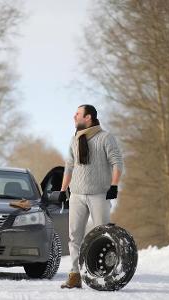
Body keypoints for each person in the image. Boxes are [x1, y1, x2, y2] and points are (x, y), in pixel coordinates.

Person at [59, 104, 123, 289]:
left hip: (99, 195)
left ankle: (104, 273)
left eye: (78, 114)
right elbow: (69, 166)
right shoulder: (75, 139)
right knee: (74, 237)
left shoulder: (105, 138)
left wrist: (114, 186)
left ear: (88, 118)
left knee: (103, 234)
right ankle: (74, 275)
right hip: (77, 195)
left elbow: (117, 162)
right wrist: (63, 191)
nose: (74, 116)